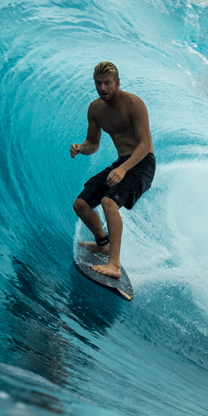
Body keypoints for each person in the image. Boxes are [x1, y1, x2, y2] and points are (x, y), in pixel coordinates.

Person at [69, 61, 154, 279]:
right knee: (81, 205)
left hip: (142, 163)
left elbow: (145, 144)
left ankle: (114, 264)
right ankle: (102, 244)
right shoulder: (95, 109)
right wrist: (81, 147)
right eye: (98, 83)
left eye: (107, 83)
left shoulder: (134, 103)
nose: (102, 88)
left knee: (108, 202)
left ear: (117, 83)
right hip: (122, 162)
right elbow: (93, 144)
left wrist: (124, 169)